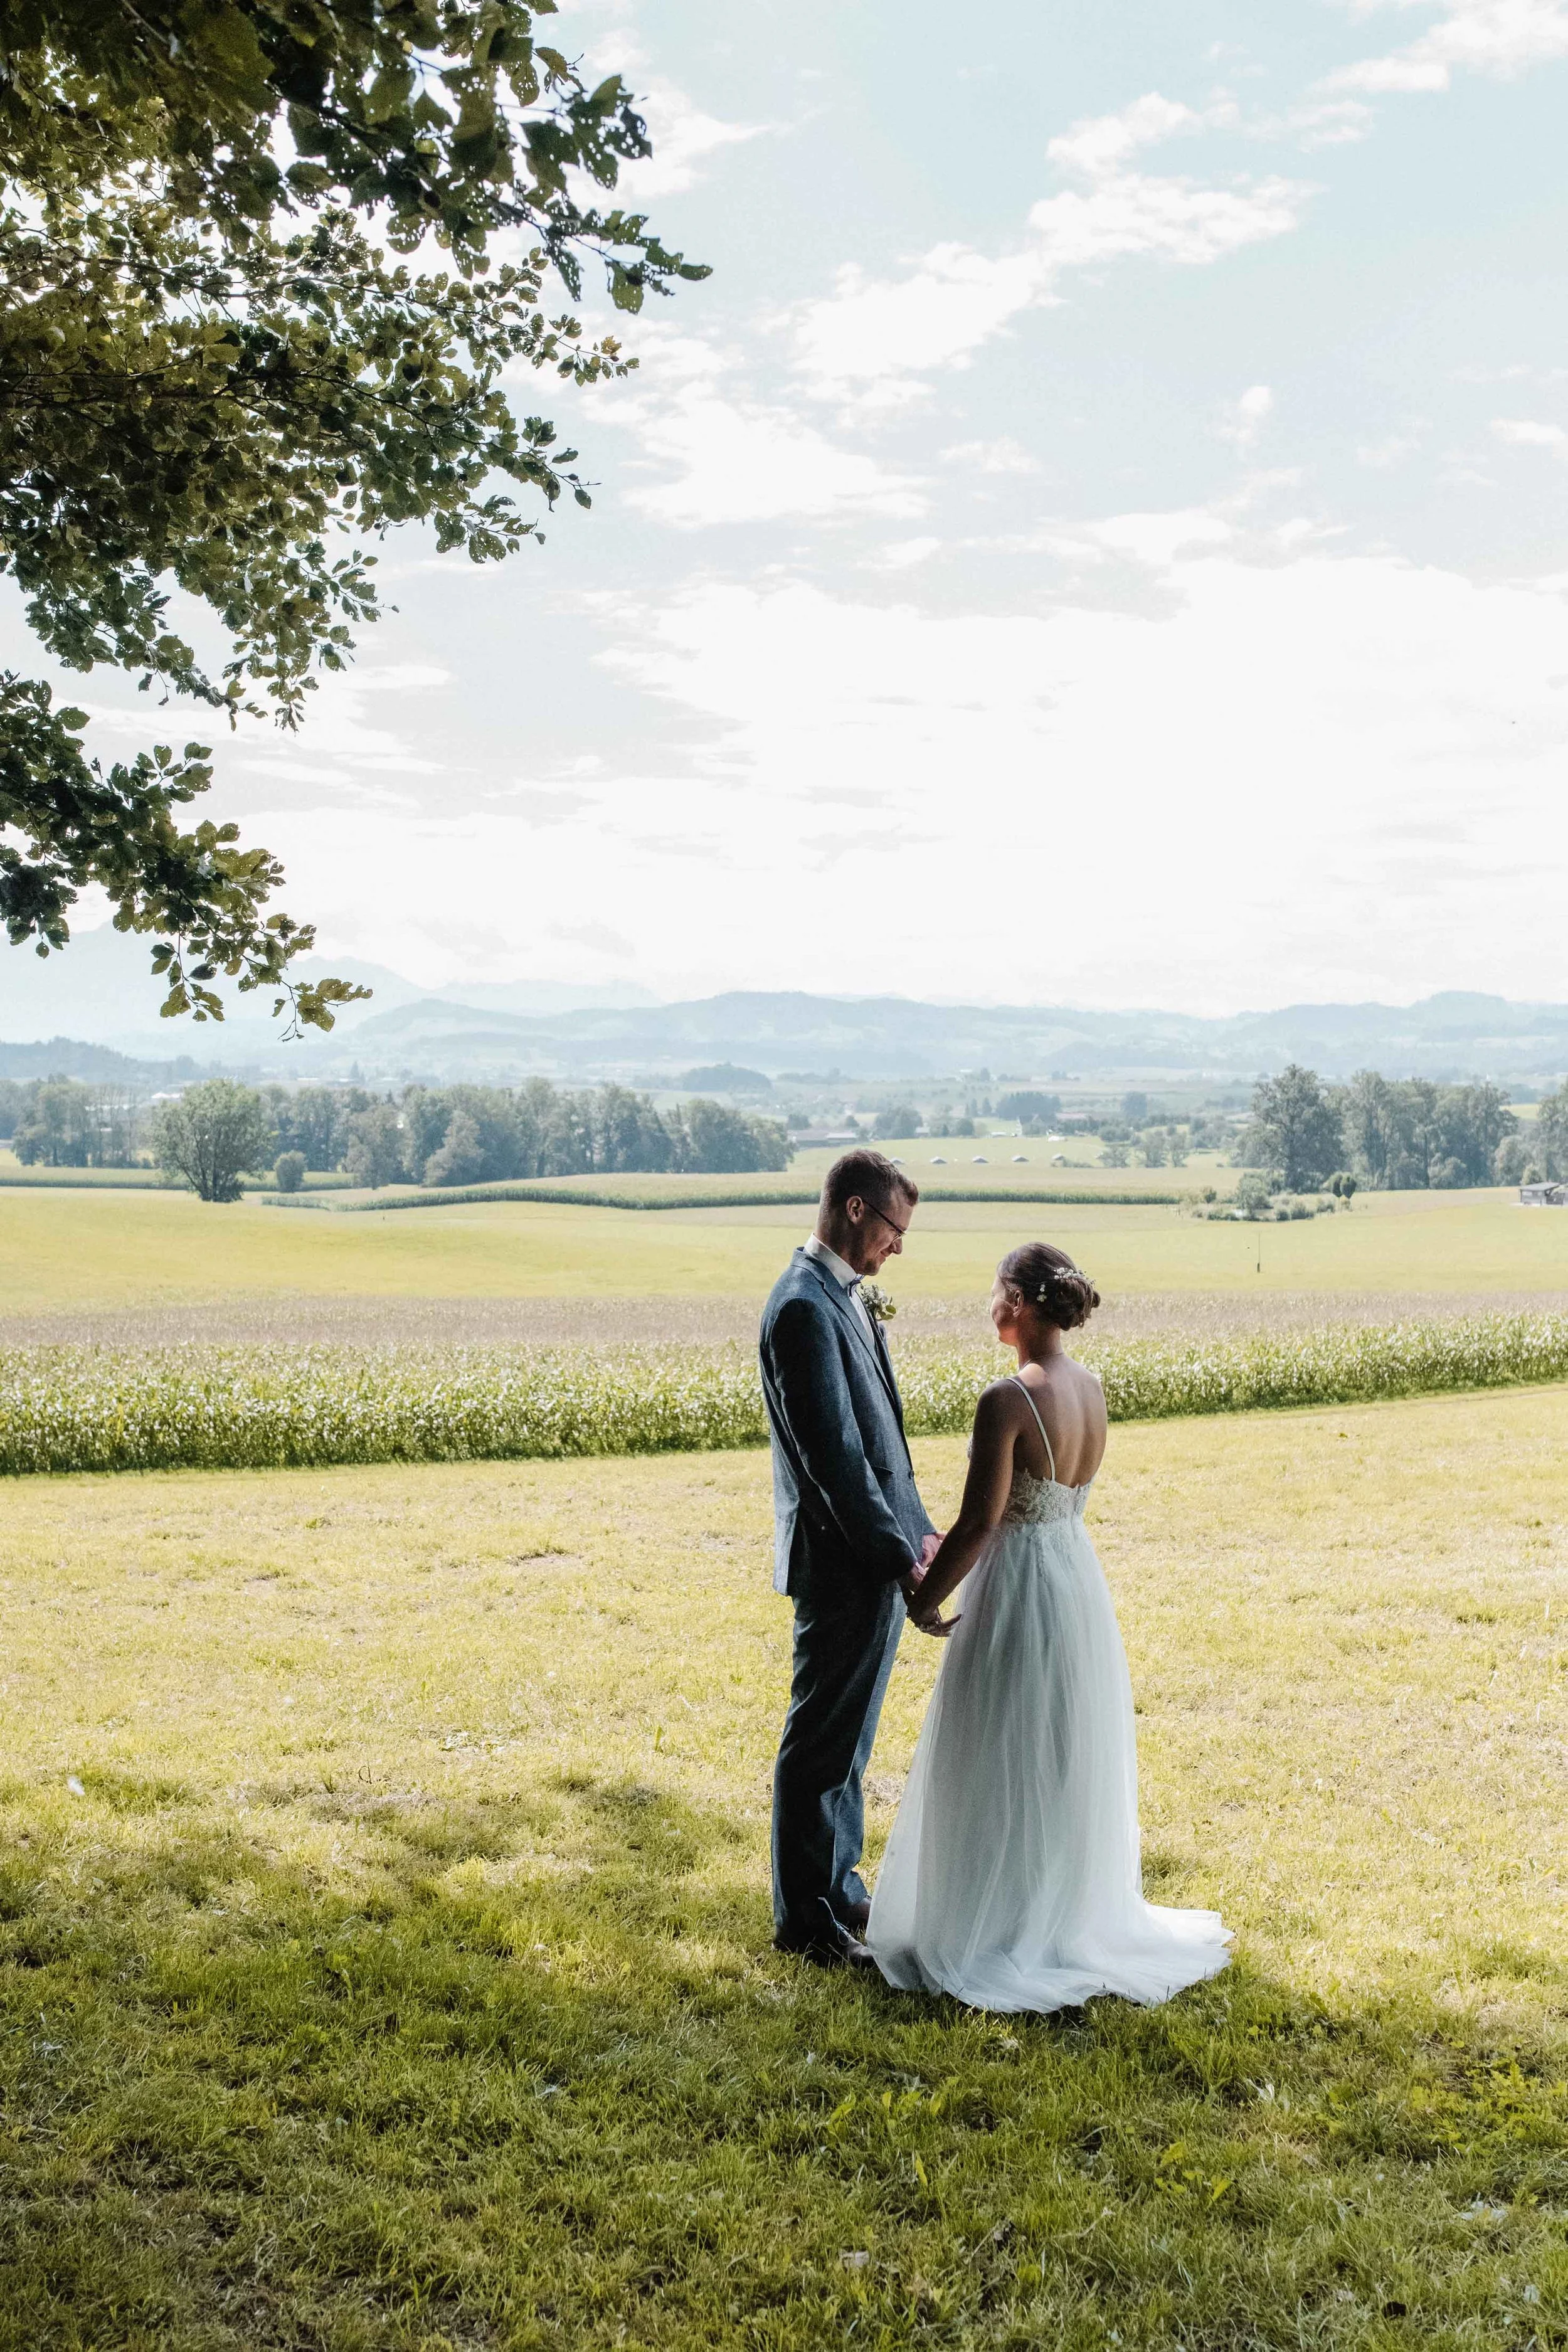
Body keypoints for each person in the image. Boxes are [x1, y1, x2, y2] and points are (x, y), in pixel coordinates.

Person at [867, 1241, 1232, 2012]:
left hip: (1019, 1585)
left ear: (1022, 1303)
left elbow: (976, 1523)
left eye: (996, 1290)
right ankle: (1059, 1911)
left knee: (1001, 1739)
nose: (989, 1303)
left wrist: (923, 1598)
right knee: (1058, 1746)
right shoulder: (1091, 1390)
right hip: (1074, 1578)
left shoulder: (1007, 1400)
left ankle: (1000, 1925)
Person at [760, 1148, 945, 1967]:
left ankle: (839, 1885)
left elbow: (885, 1447)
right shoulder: (802, 1306)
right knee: (819, 1746)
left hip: (876, 1554)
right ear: (859, 1210)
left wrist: (925, 1531)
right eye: (896, 1229)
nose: (899, 1247)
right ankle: (806, 1922)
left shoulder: (847, 1300)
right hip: (842, 1563)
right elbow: (836, 1460)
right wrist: (901, 1559)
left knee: (853, 1744)